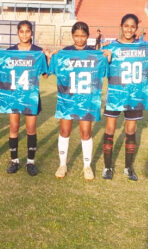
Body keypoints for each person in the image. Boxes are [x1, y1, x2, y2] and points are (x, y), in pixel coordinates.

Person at [50, 22, 109, 180]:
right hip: (67, 98)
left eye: (83, 36)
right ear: (72, 35)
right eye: (76, 35)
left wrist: (107, 57)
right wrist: (54, 56)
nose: (80, 39)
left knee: (85, 132)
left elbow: (105, 69)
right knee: (64, 131)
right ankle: (62, 164)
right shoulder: (65, 52)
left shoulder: (95, 53)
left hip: (87, 99)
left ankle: (87, 166)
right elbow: (52, 68)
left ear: (88, 36)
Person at [0, 20, 48, 176]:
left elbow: (45, 75)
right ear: (17, 33)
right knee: (14, 127)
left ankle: (30, 162)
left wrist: (47, 57)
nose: (24, 34)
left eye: (27, 31)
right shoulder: (9, 51)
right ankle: (14, 160)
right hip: (13, 95)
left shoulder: (38, 52)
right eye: (21, 31)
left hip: (31, 96)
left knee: (31, 129)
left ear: (31, 33)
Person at [101, 14, 148, 181]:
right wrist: (105, 56)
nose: (129, 29)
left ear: (136, 29)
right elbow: (100, 68)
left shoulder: (145, 47)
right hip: (115, 94)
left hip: (135, 95)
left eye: (132, 26)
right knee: (110, 130)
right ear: (121, 26)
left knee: (131, 131)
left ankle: (128, 167)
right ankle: (107, 167)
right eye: (126, 26)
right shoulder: (111, 47)